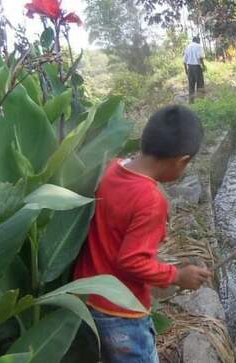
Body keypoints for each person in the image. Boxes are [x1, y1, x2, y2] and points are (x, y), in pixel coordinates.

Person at [74, 105, 212, 363]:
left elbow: (121, 206)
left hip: (88, 296)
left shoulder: (113, 168)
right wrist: (178, 276)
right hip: (122, 314)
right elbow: (131, 261)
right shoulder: (149, 201)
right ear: (181, 161)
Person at [183, 36, 206, 103]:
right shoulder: (198, 46)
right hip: (197, 67)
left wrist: (186, 70)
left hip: (189, 68)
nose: (199, 42)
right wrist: (203, 66)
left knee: (191, 85)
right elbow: (200, 57)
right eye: (199, 41)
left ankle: (191, 102)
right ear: (197, 40)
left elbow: (184, 60)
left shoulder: (188, 47)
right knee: (200, 85)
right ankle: (201, 102)